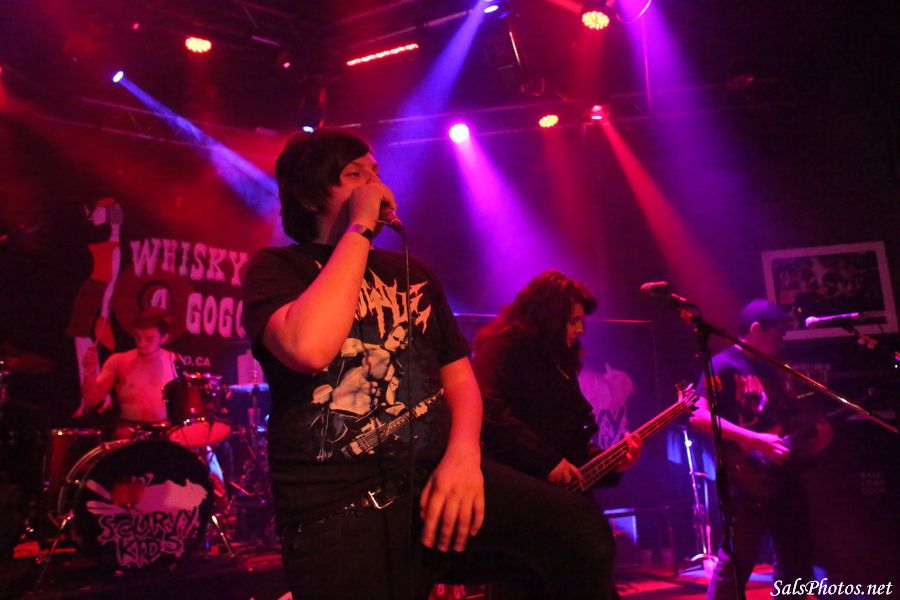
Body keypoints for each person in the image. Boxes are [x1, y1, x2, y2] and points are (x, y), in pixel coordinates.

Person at [242, 129, 620, 600]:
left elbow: (460, 381)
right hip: (341, 504)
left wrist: (464, 458)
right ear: (308, 197)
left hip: (438, 480)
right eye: (354, 176)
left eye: (376, 173)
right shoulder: (278, 268)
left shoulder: (414, 273)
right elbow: (307, 348)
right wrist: (359, 229)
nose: (374, 186)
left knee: (578, 532)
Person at [688, 299, 819, 599]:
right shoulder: (722, 365)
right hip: (745, 477)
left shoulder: (776, 370)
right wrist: (756, 440)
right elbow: (698, 416)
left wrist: (814, 438)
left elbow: (787, 423)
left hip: (784, 474)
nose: (782, 341)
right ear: (756, 329)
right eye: (778, 334)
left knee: (794, 557)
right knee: (737, 561)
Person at [472, 270, 641, 488]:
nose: (580, 330)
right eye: (573, 321)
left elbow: (571, 441)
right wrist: (547, 462)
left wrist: (612, 465)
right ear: (548, 318)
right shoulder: (501, 348)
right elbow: (489, 412)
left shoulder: (558, 360)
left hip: (556, 491)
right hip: (516, 487)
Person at [79, 306, 177, 440]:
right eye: (137, 337)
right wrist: (90, 373)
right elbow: (91, 400)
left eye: (149, 339)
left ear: (164, 338)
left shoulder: (175, 361)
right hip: (127, 434)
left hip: (164, 433)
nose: (141, 343)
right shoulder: (118, 361)